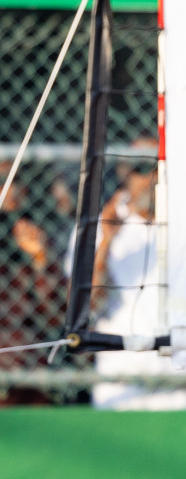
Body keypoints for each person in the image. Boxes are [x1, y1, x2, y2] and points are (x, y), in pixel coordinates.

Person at [89, 138, 186, 410]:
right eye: (142, 167)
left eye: (162, 166)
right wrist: (105, 243)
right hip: (124, 387)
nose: (153, 176)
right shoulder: (101, 224)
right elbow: (86, 303)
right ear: (125, 174)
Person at [0, 161, 67, 404]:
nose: (10, 189)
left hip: (30, 376)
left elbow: (53, 315)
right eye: (3, 182)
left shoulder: (39, 229)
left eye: (15, 181)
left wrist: (42, 260)